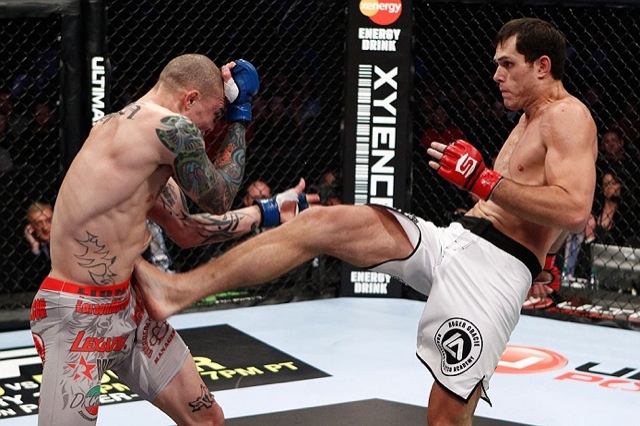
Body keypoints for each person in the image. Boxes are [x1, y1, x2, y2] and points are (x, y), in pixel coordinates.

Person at [134, 19, 597, 425]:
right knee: (323, 223)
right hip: (456, 241)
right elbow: (541, 202)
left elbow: (574, 209)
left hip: (494, 270)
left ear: (542, 66)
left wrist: (484, 181)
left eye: (508, 64)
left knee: (446, 416)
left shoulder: (568, 116)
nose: (496, 75)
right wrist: (544, 251)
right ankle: (180, 289)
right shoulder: (530, 118)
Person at [29, 53, 313, 426]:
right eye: (215, 114)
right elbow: (219, 197)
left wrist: (268, 212)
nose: (212, 126)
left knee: (207, 419)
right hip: (77, 313)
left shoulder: (135, 138)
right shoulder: (172, 128)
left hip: (128, 305)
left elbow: (186, 230)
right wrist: (240, 114)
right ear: (190, 98)